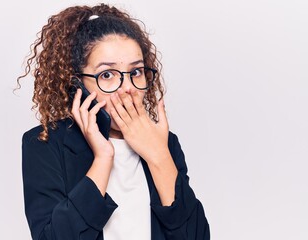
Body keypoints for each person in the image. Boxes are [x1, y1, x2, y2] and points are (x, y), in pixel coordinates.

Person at [18, 3, 210, 240]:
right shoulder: (45, 143)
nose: (128, 88)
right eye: (106, 75)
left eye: (136, 71)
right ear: (77, 84)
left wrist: (159, 156)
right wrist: (103, 158)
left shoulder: (164, 143)